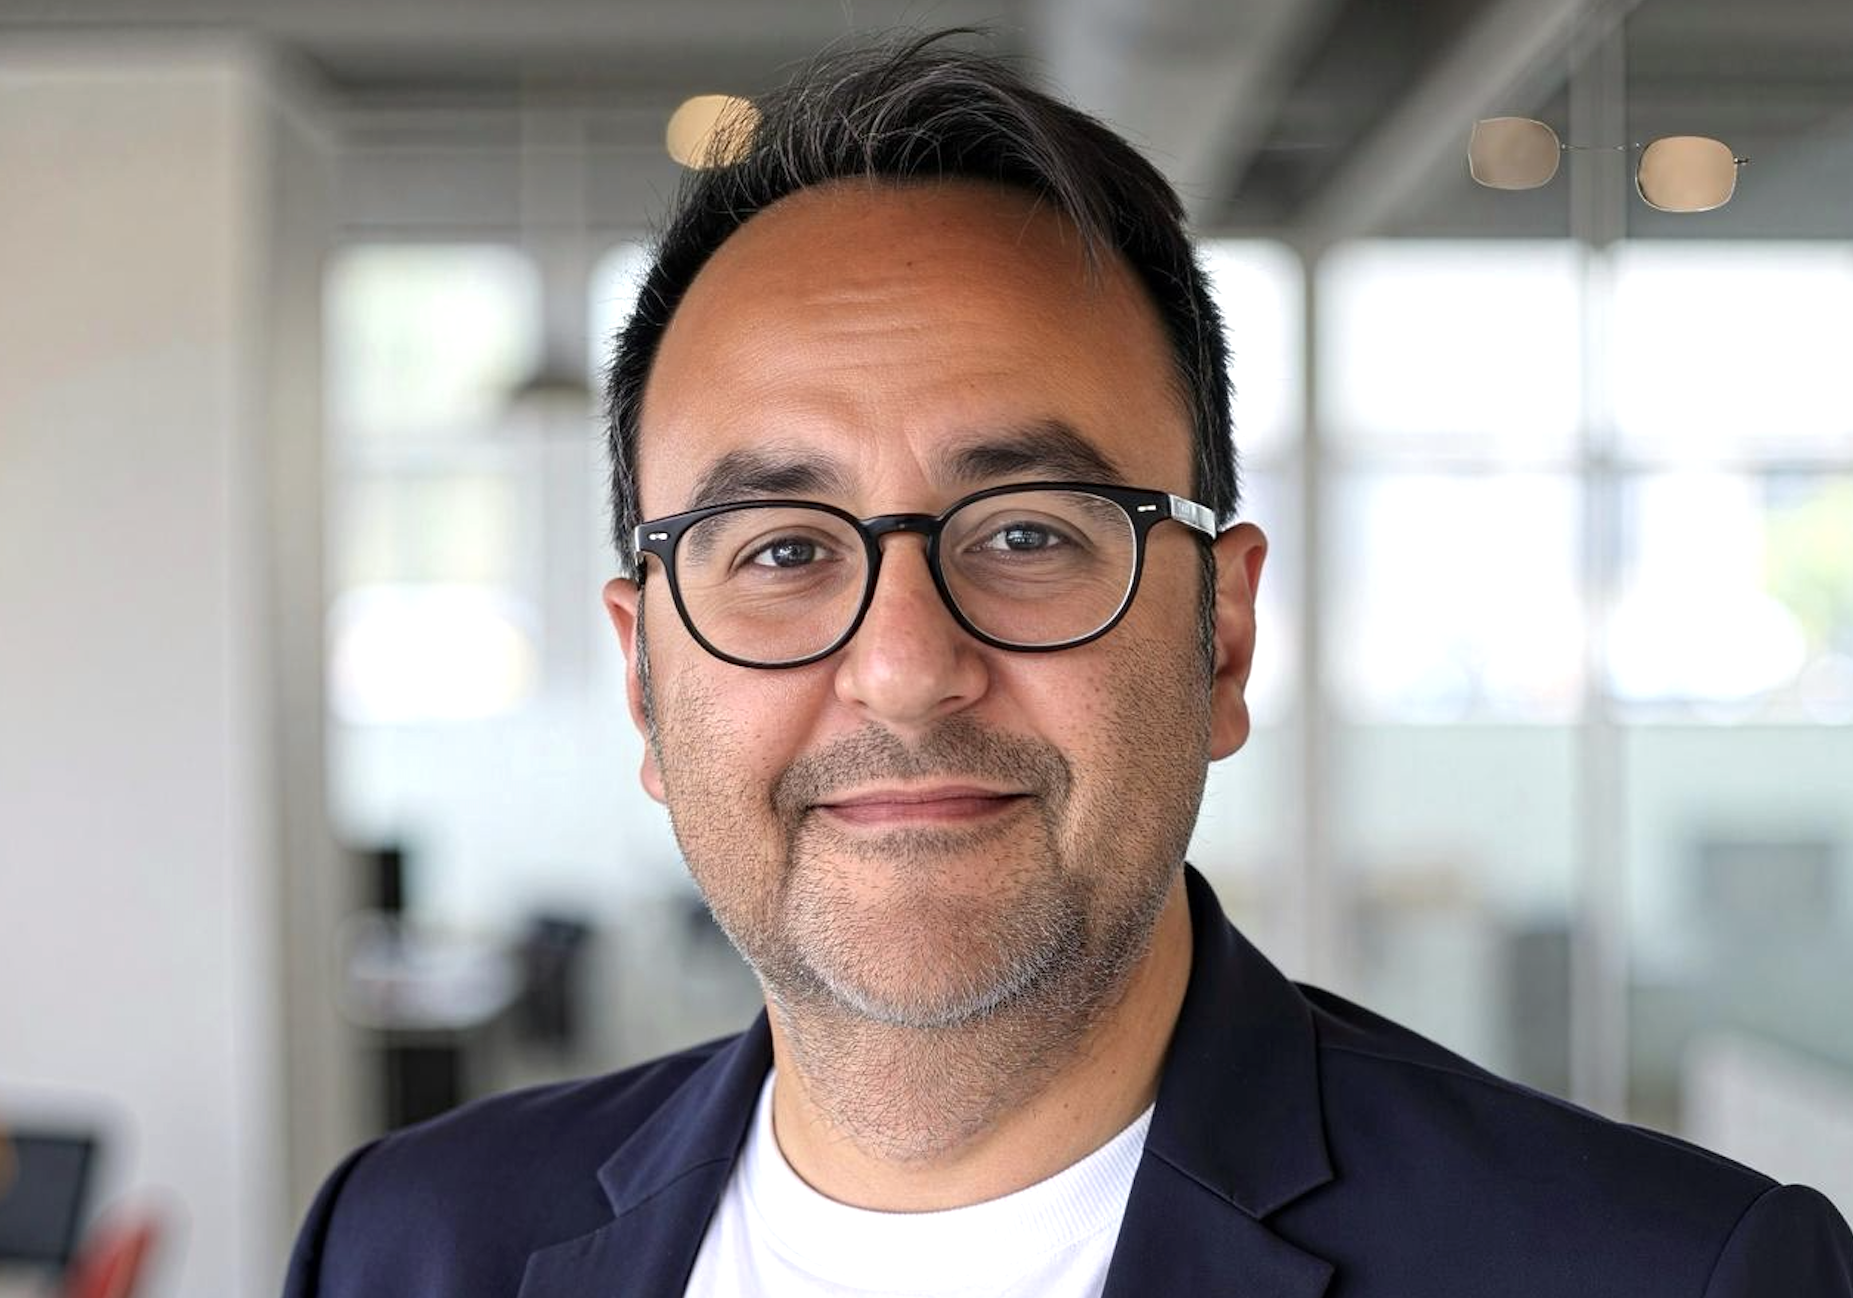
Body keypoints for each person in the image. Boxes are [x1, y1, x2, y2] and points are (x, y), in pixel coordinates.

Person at [284, 31, 1853, 1298]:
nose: (906, 665)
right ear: (645, 679)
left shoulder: (1662, 1270)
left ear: (1221, 636)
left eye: (1028, 532)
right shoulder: (407, 1245)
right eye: (779, 549)